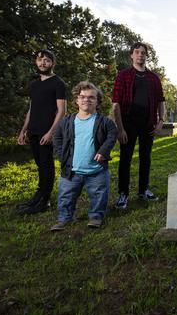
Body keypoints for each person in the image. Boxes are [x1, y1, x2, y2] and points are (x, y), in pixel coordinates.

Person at [50, 81, 118, 231]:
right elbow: (57, 138)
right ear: (76, 100)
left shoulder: (104, 122)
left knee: (99, 195)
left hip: (97, 170)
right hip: (71, 171)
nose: (86, 100)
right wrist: (63, 156)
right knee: (66, 196)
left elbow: (112, 135)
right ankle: (64, 218)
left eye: (91, 97)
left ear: (97, 101)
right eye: (82, 97)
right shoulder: (67, 122)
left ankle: (96, 216)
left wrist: (103, 151)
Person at [111, 42, 166, 208]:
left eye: (143, 52)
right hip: (128, 123)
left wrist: (160, 121)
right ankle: (123, 194)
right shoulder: (123, 75)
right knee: (125, 159)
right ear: (131, 55)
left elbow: (160, 101)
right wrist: (120, 129)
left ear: (146, 56)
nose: (140, 55)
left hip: (148, 123)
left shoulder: (154, 78)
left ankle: (143, 190)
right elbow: (115, 104)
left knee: (145, 158)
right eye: (137, 52)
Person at [17, 49, 67, 214]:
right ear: (36, 62)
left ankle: (45, 201)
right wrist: (24, 129)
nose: (42, 63)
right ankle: (39, 196)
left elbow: (61, 111)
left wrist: (51, 132)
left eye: (46, 60)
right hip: (33, 130)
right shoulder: (34, 84)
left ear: (52, 63)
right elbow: (31, 108)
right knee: (40, 165)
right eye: (40, 60)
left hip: (47, 131)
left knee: (46, 165)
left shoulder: (58, 83)